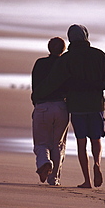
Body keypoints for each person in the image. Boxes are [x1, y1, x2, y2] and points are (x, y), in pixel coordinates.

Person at [32, 24, 105, 188]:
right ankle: (97, 164)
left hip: (77, 106)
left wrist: (37, 95)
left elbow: (53, 81)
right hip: (96, 104)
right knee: (96, 139)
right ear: (86, 36)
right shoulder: (100, 55)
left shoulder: (67, 58)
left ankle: (87, 180)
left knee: (81, 142)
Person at [31, 37, 69, 186]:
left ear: (49, 48)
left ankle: (44, 162)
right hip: (61, 107)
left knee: (41, 143)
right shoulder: (65, 65)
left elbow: (35, 86)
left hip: (43, 106)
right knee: (58, 144)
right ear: (63, 49)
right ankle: (54, 179)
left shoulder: (40, 63)